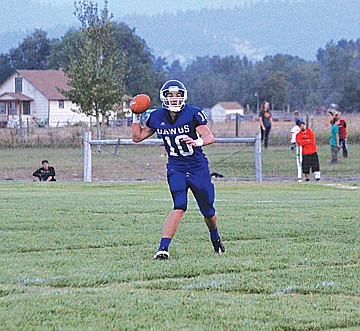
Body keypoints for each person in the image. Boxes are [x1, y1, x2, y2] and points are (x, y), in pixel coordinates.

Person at [131, 80, 225, 260]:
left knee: (208, 210)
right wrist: (135, 115)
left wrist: (197, 141)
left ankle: (215, 237)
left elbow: (208, 136)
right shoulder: (157, 117)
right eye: (170, 95)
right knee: (179, 205)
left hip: (197, 167)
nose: (174, 99)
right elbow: (137, 137)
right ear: (164, 97)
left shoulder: (193, 113)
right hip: (176, 167)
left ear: (184, 96)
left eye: (178, 95)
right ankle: (163, 249)